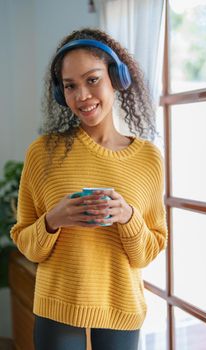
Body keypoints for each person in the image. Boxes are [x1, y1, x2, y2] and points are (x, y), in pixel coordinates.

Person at [10, 28, 167, 350]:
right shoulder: (43, 152)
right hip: (57, 309)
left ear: (117, 79)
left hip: (120, 308)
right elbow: (28, 245)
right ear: (60, 93)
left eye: (92, 80)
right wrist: (53, 220)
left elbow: (147, 253)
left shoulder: (149, 158)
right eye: (70, 86)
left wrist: (128, 216)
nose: (82, 96)